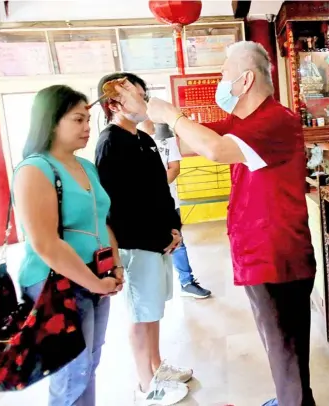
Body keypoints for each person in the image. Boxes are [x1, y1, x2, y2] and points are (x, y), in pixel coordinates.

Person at [112, 41, 317, 406]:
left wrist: (173, 115)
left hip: (277, 253)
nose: (220, 81)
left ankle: (295, 402)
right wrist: (147, 113)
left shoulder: (277, 120)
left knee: (286, 344)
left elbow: (215, 150)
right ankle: (291, 399)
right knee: (278, 341)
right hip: (257, 250)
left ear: (245, 80)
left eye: (224, 73)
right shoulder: (244, 122)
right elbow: (189, 142)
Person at [13, 85, 124, 406]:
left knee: (89, 364)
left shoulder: (86, 166)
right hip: (56, 284)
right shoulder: (35, 169)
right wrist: (95, 282)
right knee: (70, 373)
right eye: (78, 120)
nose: (88, 127)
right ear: (51, 122)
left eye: (88, 119)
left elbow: (101, 221)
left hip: (97, 279)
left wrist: (114, 266)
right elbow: (46, 243)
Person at [95, 73, 193, 405]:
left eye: (143, 92)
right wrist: (155, 234)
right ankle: (145, 385)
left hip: (158, 241)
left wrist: (174, 227)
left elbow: (159, 191)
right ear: (114, 103)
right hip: (135, 245)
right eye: (137, 94)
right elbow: (115, 206)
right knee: (140, 314)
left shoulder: (144, 138)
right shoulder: (110, 143)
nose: (144, 99)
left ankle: (157, 366)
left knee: (153, 310)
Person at [136, 120, 212, 299]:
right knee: (147, 246)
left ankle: (186, 282)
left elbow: (174, 168)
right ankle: (150, 288)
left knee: (177, 242)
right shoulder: (129, 136)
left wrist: (156, 190)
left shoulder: (164, 132)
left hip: (168, 201)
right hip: (142, 204)